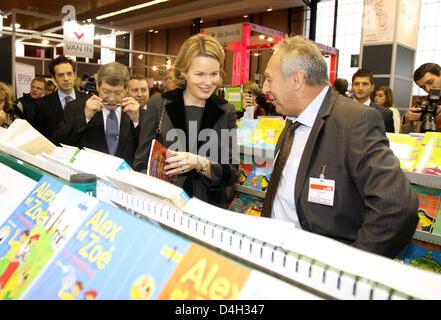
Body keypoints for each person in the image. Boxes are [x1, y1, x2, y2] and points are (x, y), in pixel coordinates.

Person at [260, 35, 418, 259]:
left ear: (296, 80)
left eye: (269, 79)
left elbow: (396, 208)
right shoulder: (293, 120)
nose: (265, 87)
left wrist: (350, 269)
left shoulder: (355, 121)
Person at [134, 33, 238, 208]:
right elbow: (141, 162)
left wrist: (200, 163)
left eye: (214, 74)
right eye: (200, 74)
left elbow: (231, 173)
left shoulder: (225, 110)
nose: (208, 82)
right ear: (183, 72)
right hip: (165, 204)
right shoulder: (159, 104)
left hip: (208, 207)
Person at [52, 62, 142, 167]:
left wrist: (136, 123)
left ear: (126, 89)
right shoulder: (76, 107)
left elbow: (144, 151)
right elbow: (58, 142)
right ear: (98, 86)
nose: (112, 98)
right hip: (87, 174)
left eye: (118, 93)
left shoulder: (137, 111)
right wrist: (84, 117)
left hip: (124, 177)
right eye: (106, 91)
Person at [33, 56, 88, 139]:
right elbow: (39, 136)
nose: (66, 79)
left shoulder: (87, 100)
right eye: (60, 75)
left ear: (74, 75)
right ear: (54, 78)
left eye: (69, 74)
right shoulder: (42, 105)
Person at [401, 63, 441, 133]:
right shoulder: (423, 103)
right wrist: (407, 118)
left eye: (430, 82)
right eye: (423, 87)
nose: (428, 89)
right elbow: (408, 136)